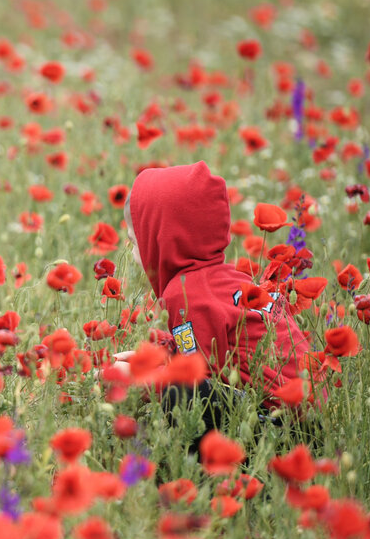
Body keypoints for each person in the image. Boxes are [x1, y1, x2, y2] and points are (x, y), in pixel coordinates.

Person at [114, 161, 313, 441]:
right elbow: (212, 353)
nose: (133, 252)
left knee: (179, 394)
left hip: (281, 431)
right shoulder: (223, 278)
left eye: (136, 241)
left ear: (162, 240)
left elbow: (197, 384)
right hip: (312, 422)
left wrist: (143, 380)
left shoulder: (185, 294)